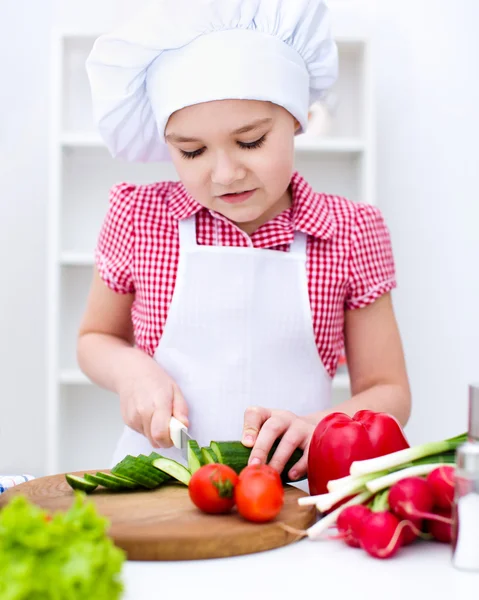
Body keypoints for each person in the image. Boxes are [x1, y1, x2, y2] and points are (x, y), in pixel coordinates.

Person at [78, 0, 411, 482]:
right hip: (157, 488)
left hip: (293, 494)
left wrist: (316, 429)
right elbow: (95, 339)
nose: (225, 174)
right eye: (191, 151)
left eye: (251, 141)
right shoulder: (138, 216)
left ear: (297, 118)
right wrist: (131, 372)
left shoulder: (350, 231)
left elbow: (389, 390)